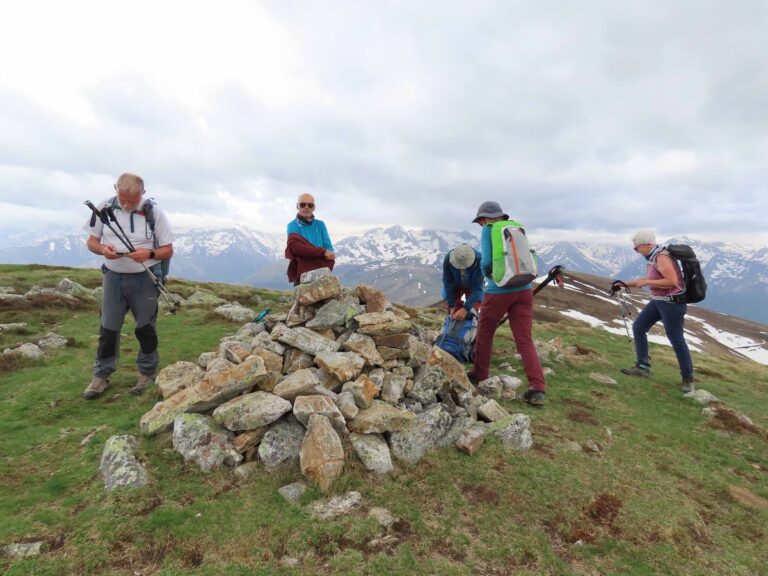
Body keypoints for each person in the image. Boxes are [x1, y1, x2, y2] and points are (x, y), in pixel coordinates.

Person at [82, 173, 174, 399]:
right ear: (115, 188)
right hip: (113, 277)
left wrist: (148, 254)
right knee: (108, 327)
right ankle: (101, 375)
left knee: (145, 327)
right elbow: (92, 241)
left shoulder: (153, 212)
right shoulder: (103, 208)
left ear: (143, 192)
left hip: (145, 277)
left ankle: (147, 373)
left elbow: (167, 249)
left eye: (133, 201)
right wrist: (103, 250)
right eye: (123, 199)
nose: (127, 205)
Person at [468, 201, 546, 406]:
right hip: (524, 289)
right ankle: (537, 388)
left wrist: (489, 276)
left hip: (499, 290)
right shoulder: (516, 226)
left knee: (485, 333)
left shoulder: (489, 229)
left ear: (484, 218)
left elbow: (486, 262)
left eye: (480, 221)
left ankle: (479, 375)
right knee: (524, 339)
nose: (480, 224)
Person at [619, 230, 694, 392]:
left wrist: (647, 281)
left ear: (646, 245)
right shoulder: (653, 257)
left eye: (636, 248)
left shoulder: (661, 257)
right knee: (639, 327)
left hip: (672, 304)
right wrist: (622, 284)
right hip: (659, 301)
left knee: (676, 339)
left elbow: (672, 281)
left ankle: (688, 379)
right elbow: (644, 281)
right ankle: (642, 367)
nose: (636, 251)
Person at [285, 193, 335, 285]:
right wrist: (322, 252)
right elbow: (297, 248)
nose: (306, 207)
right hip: (303, 274)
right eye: (303, 204)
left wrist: (324, 253)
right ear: (297, 206)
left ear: (314, 208)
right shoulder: (292, 226)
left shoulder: (320, 225)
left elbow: (329, 249)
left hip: (320, 272)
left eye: (310, 205)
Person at [442, 244, 483, 320]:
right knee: (452, 310)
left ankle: (473, 323)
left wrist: (466, 309)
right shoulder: (448, 258)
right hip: (454, 286)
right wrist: (451, 305)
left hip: (472, 287)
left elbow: (477, 288)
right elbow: (448, 282)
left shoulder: (480, 260)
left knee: (473, 310)